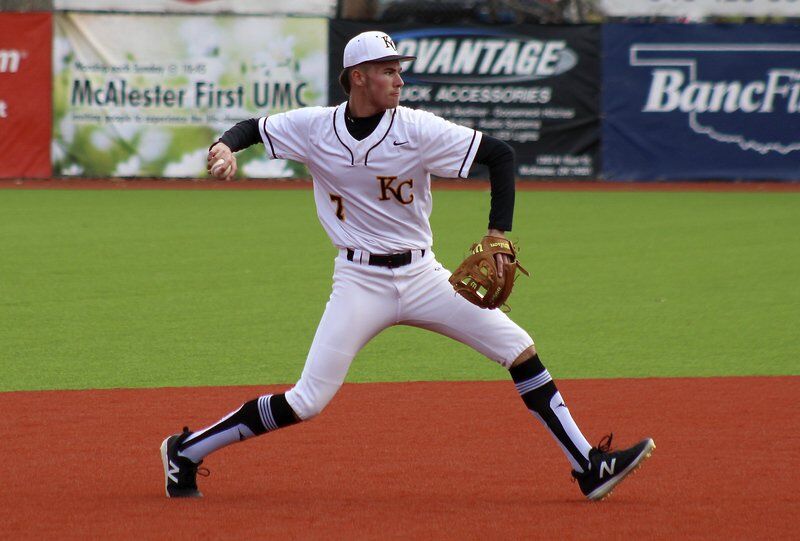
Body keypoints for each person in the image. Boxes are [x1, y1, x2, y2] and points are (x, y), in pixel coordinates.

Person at [160, 30, 654, 501]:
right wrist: (224, 146)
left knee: (518, 348)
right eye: (388, 70)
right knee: (307, 400)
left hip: (423, 277)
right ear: (358, 77)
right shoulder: (315, 128)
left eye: (400, 70)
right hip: (359, 281)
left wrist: (498, 233)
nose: (400, 79)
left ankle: (588, 465)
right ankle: (185, 451)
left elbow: (500, 155)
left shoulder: (417, 128)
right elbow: (255, 128)